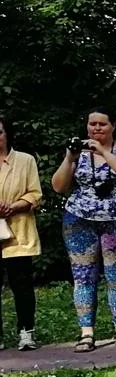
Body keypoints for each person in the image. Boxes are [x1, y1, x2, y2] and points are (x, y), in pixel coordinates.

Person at [52, 109, 116, 350]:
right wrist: (69, 158)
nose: (96, 129)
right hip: (80, 219)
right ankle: (86, 333)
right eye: (92, 124)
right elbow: (59, 186)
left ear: (113, 126)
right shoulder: (77, 153)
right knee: (83, 277)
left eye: (102, 124)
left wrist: (103, 151)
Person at [0, 117, 42, 350]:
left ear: (7, 134)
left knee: (22, 284)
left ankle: (26, 332)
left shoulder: (25, 160)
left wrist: (13, 206)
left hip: (19, 230)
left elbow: (35, 194)